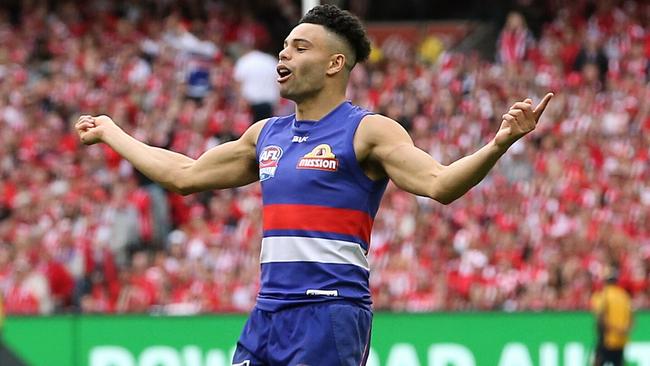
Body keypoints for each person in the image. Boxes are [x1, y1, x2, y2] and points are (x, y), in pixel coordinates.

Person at [76, 4, 553, 366]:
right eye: (284, 45)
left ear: (335, 64)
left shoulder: (368, 131)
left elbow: (440, 183)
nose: (284, 53)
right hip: (267, 313)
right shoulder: (267, 134)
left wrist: (500, 142)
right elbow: (184, 175)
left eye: (300, 47)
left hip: (329, 315)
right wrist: (111, 131)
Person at [591, 267, 633, 366]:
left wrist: (612, 329)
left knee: (598, 362)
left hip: (607, 339)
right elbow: (632, 318)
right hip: (621, 340)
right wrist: (623, 330)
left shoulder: (603, 295)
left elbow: (600, 316)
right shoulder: (624, 296)